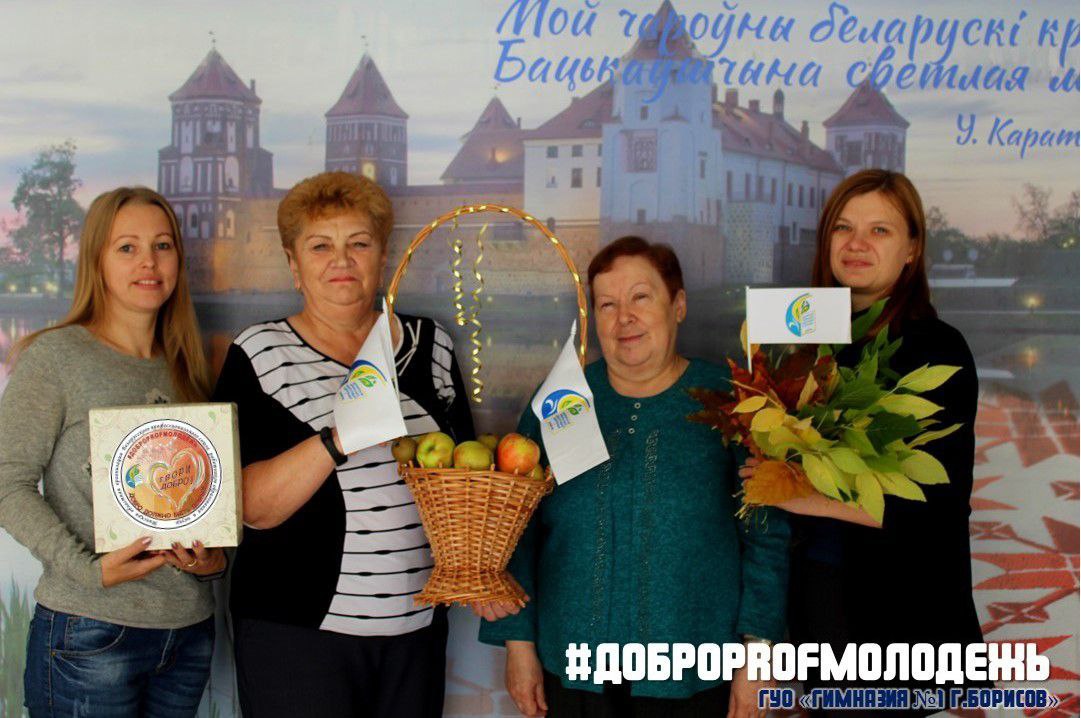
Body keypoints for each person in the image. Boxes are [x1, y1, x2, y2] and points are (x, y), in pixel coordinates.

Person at [476, 236, 789, 718]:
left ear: (678, 305)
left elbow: (767, 537)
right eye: (608, 304)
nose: (624, 317)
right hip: (572, 669)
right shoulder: (559, 402)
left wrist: (760, 650)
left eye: (641, 297)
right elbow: (516, 531)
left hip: (698, 670)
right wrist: (518, 643)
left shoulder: (732, 402)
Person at [211, 171, 474, 718]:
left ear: (383, 256)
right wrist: (338, 438)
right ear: (293, 265)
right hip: (295, 635)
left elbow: (468, 490)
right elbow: (247, 506)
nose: (342, 260)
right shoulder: (260, 352)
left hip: (416, 629)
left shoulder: (432, 345)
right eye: (320, 246)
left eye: (359, 243)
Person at [764, 169, 985, 714]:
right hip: (816, 604)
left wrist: (797, 493)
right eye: (843, 227)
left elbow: (930, 500)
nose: (856, 243)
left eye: (879, 230)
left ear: (912, 249)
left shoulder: (936, 348)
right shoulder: (802, 339)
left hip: (899, 619)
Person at [0, 187, 227, 717]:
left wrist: (214, 561)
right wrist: (89, 571)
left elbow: (206, 497)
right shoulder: (56, 357)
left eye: (162, 246)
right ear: (96, 261)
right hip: (89, 632)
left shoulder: (187, 366)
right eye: (127, 247)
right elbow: (6, 482)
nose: (149, 262)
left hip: (189, 635)